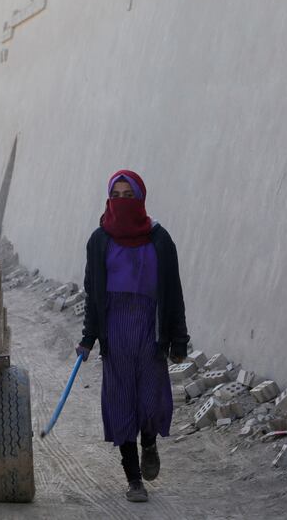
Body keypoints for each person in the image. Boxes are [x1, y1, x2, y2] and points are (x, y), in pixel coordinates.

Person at [76, 169, 189, 503]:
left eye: (130, 195)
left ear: (141, 199)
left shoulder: (160, 239)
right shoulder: (99, 240)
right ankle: (133, 479)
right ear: (108, 199)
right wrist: (88, 337)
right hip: (115, 332)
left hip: (150, 332)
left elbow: (174, 292)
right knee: (122, 403)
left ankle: (150, 443)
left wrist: (178, 338)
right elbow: (92, 292)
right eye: (117, 195)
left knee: (151, 401)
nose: (122, 202)